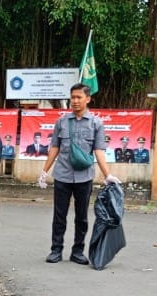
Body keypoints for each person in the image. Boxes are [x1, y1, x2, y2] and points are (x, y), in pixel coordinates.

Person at [38, 83, 120, 265]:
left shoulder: (96, 124)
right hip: (62, 175)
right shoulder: (61, 122)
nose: (75, 101)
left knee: (81, 216)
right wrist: (45, 171)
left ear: (88, 99)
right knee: (59, 215)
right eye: (72, 97)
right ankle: (56, 250)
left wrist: (108, 175)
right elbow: (54, 148)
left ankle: (77, 251)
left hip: (84, 177)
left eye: (79, 97)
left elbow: (99, 151)